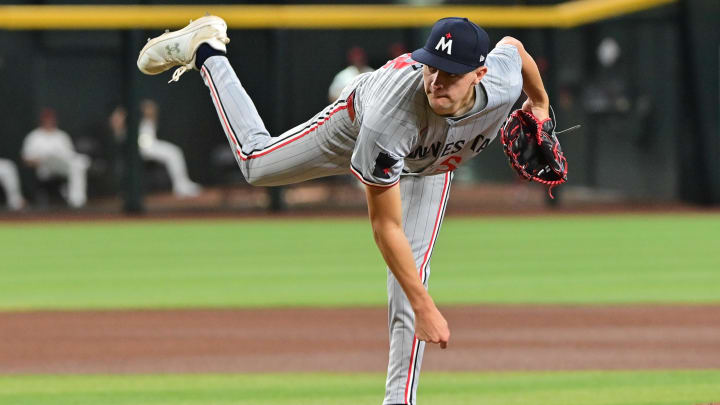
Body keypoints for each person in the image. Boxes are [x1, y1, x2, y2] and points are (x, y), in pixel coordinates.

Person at [138, 15, 548, 405]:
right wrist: (425, 307)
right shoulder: (392, 117)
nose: (437, 82)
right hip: (356, 126)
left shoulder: (501, 79)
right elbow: (386, 226)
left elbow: (514, 48)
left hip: (431, 165)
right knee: (255, 163)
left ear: (479, 74)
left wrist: (539, 102)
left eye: (451, 74)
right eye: (431, 68)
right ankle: (207, 49)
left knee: (411, 276)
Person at [22, 108, 90, 208]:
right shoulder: (34, 136)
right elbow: (26, 159)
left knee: (78, 165)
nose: (49, 121)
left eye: (51, 119)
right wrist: (39, 161)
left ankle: (77, 202)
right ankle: (74, 199)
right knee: (50, 156)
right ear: (42, 120)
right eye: (47, 119)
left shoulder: (62, 135)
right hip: (44, 168)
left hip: (63, 166)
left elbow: (70, 154)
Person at [137, 99, 202, 197]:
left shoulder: (151, 119)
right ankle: (180, 186)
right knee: (173, 153)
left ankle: (182, 184)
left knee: (175, 151)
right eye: (148, 108)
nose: (152, 110)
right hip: (144, 147)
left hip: (150, 144)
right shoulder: (137, 118)